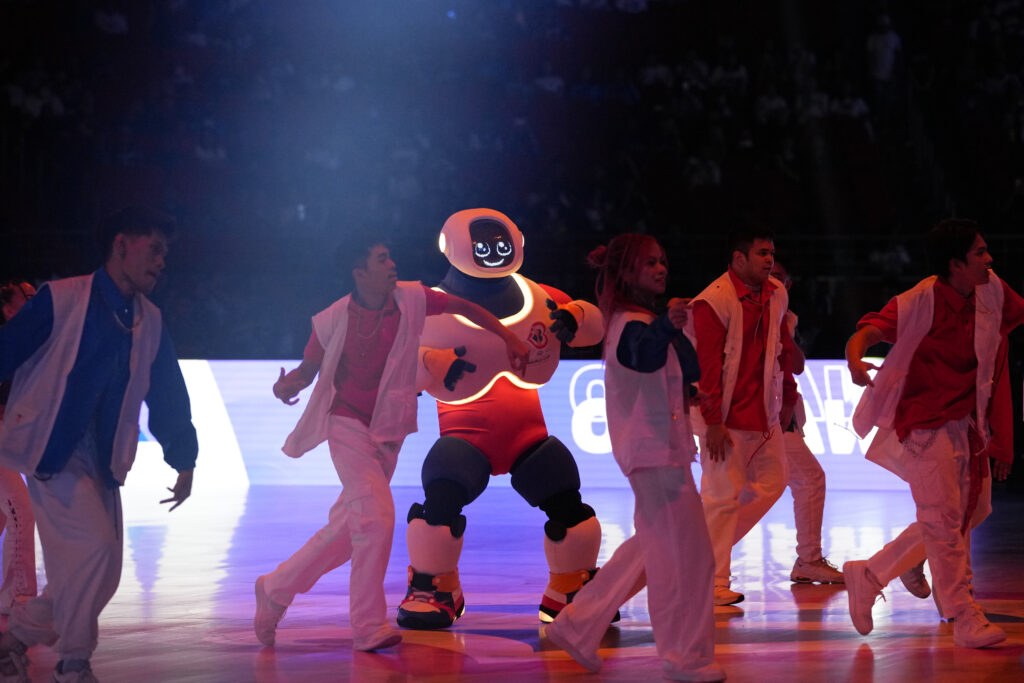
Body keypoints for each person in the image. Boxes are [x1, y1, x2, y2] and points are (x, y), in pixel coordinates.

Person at [253, 233, 529, 652]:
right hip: (346, 427)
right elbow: (309, 370)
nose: (392, 265)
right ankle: (366, 626)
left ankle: (275, 588)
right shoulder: (330, 319)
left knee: (350, 531)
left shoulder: (413, 300)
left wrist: (508, 338)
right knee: (378, 520)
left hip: (388, 431)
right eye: (382, 260)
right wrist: (287, 384)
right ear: (359, 272)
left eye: (390, 258)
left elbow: (467, 307)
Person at [0, 206, 199, 683]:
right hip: (52, 447)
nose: (161, 262)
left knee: (103, 568)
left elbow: (167, 389)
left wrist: (184, 457)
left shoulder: (148, 319)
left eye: (164, 253)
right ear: (121, 244)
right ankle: (72, 662)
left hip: (105, 454)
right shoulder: (62, 299)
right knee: (94, 551)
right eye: (154, 249)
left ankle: (15, 640)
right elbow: (5, 352)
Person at [395, 209, 607, 631]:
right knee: (438, 506)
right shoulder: (427, 309)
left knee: (570, 507)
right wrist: (429, 364)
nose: (492, 253)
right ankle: (433, 587)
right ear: (450, 246)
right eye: (482, 246)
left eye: (500, 245)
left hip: (529, 435)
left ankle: (572, 589)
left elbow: (593, 326)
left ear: (518, 242)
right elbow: (397, 363)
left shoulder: (541, 296)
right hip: (463, 437)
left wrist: (576, 318)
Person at [545, 233, 724, 682]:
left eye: (663, 261)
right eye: (650, 264)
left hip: (662, 453)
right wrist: (669, 324)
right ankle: (683, 658)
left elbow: (678, 367)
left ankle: (577, 624)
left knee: (652, 551)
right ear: (627, 272)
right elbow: (642, 355)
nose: (661, 268)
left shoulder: (642, 319)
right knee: (686, 559)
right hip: (654, 455)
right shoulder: (628, 323)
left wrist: (676, 335)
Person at [843, 219, 1024, 648]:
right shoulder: (920, 300)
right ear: (955, 264)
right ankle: (963, 615)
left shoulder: (992, 290)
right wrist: (854, 361)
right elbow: (868, 331)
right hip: (924, 424)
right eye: (980, 253)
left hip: (967, 422)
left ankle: (870, 574)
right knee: (943, 521)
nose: (989, 259)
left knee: (971, 512)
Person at [686, 226, 797, 606]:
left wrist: (786, 400)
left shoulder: (776, 293)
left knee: (774, 483)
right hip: (725, 418)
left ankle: (697, 550)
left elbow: (782, 350)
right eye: (762, 253)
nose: (770, 260)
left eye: (771, 252)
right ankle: (713, 581)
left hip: (763, 414)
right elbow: (706, 369)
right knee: (720, 498)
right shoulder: (712, 302)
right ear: (738, 259)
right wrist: (713, 421)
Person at [769, 261, 844, 585]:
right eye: (775, 280)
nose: (779, 288)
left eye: (784, 281)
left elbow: (794, 365)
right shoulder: (734, 309)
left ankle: (809, 558)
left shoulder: (784, 318)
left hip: (775, 412)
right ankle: (809, 558)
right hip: (758, 412)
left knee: (738, 492)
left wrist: (784, 328)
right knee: (805, 480)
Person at [0, 282, 39, 618]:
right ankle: (20, 595)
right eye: (26, 297)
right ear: (7, 308)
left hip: (8, 439)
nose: (34, 301)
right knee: (20, 511)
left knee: (3, 515)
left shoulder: (28, 342)